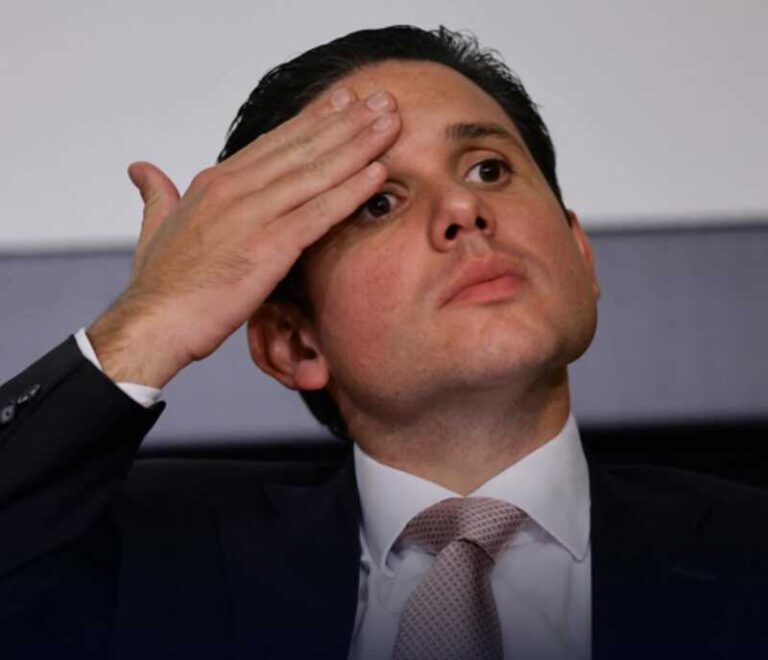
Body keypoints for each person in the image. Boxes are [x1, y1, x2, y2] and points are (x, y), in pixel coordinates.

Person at [0, 25, 766, 660]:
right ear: (294, 343)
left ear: (581, 255)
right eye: (378, 203)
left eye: (489, 168)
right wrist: (150, 321)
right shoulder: (148, 555)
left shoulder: (747, 546)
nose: (463, 208)